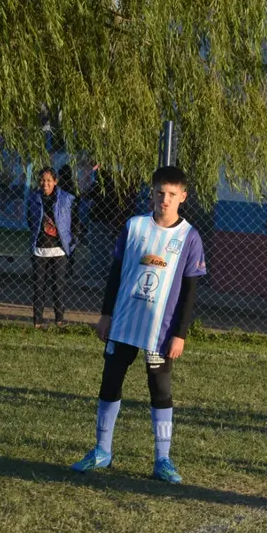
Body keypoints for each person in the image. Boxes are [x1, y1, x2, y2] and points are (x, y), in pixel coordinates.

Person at [70, 166, 206, 484]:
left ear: (183, 197)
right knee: (110, 382)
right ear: (152, 193)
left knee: (160, 390)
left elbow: (190, 291)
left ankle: (163, 459)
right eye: (160, 192)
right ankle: (102, 450)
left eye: (172, 194)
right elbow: (116, 273)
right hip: (124, 322)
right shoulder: (134, 227)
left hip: (160, 331)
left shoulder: (190, 237)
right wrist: (105, 315)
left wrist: (180, 334)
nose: (165, 199)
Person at [27, 167, 79, 328]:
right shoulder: (34, 199)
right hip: (40, 249)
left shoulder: (67, 199)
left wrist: (71, 243)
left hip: (59, 250)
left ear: (55, 181)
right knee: (39, 287)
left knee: (58, 286)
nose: (45, 184)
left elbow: (75, 222)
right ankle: (38, 321)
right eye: (42, 180)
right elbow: (29, 219)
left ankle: (59, 320)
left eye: (49, 180)